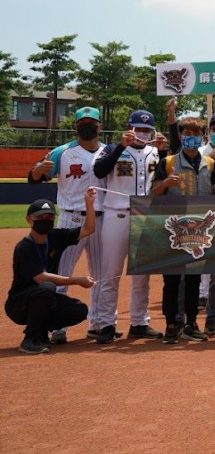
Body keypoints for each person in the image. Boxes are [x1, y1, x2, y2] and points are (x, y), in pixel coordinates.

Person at [26, 105, 104, 344]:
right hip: (70, 217)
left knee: (100, 273)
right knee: (61, 272)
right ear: (76, 127)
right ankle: (57, 325)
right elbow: (34, 178)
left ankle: (99, 324)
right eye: (83, 124)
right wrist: (38, 169)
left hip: (101, 216)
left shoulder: (109, 152)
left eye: (92, 122)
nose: (88, 127)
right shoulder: (62, 152)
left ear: (100, 126)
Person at [91, 109, 164, 343]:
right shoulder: (112, 149)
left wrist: (165, 150)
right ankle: (106, 325)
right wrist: (122, 147)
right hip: (117, 215)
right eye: (137, 128)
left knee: (142, 275)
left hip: (144, 217)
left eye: (146, 130)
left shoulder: (156, 151)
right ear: (129, 127)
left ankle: (139, 322)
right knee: (110, 273)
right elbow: (99, 170)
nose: (141, 133)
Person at [151, 116, 215, 343]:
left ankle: (192, 322)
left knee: (193, 278)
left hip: (199, 230)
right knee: (172, 279)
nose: (191, 138)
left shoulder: (209, 164)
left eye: (195, 135)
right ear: (181, 136)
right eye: (187, 134)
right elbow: (153, 193)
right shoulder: (168, 162)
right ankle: (172, 323)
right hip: (173, 229)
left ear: (203, 138)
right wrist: (164, 185)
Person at [5, 194, 96, 354]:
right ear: (29, 220)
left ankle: (41, 331)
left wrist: (89, 204)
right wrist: (76, 280)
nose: (46, 220)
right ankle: (30, 339)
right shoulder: (24, 248)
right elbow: (40, 277)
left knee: (79, 310)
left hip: (45, 298)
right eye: (40, 217)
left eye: (50, 216)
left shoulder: (55, 236)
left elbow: (88, 229)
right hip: (19, 304)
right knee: (46, 287)